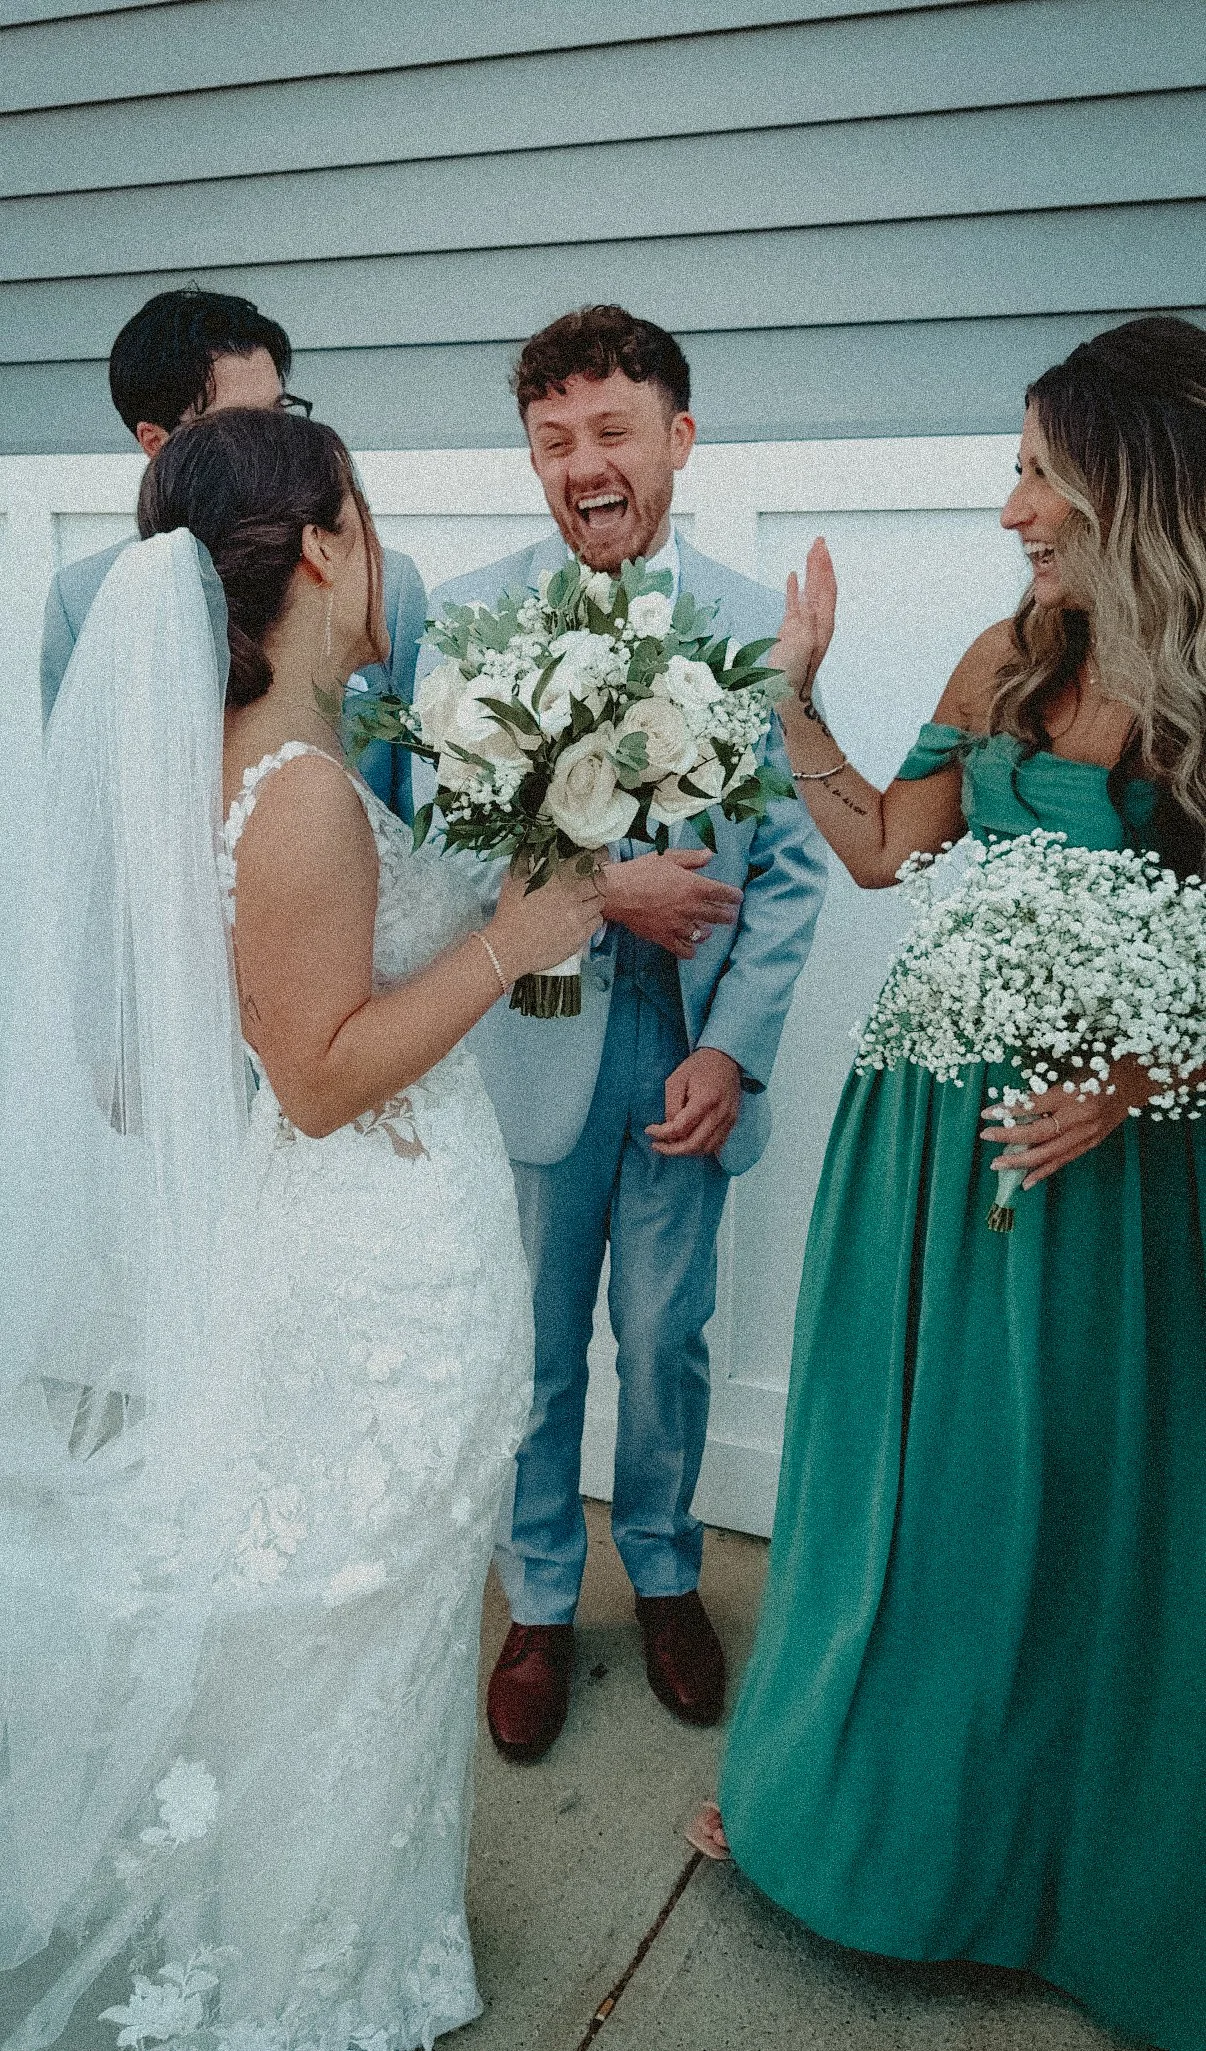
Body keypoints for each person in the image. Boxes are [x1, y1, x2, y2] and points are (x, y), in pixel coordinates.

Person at [0, 407, 602, 2048]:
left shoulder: (257, 766)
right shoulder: (302, 794)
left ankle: (349, 1933)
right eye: (373, 512)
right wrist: (522, 935)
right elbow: (322, 1071)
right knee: (361, 1627)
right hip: (373, 1265)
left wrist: (515, 884)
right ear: (324, 547)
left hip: (341, 1246)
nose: (388, 548)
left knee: (355, 1632)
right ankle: (307, 1983)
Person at [710, 316, 1206, 2051]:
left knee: (1060, 1513)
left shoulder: (1200, 684)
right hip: (923, 1135)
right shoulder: (1010, 652)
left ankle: (1069, 1877)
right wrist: (795, 691)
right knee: (904, 1489)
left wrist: (1144, 1082)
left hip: (1105, 1181)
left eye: (1031, 469)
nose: (1008, 505)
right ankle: (876, 1836)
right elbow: (878, 849)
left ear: (1123, 478)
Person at [416, 305, 827, 1763]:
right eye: (553, 441)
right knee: (532, 1348)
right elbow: (449, 863)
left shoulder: (750, 623)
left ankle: (660, 1569)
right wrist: (602, 890)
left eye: (612, 433)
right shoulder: (471, 627)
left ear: (677, 440)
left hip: (687, 1048)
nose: (584, 465)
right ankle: (536, 1594)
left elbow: (787, 870)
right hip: (533, 1045)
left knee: (664, 1336)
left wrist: (736, 1049)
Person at [38, 285, 426, 820]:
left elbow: (419, 811)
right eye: (241, 426)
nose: (281, 442)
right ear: (157, 444)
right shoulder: (85, 601)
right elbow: (85, 819)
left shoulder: (385, 584)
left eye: (281, 412)